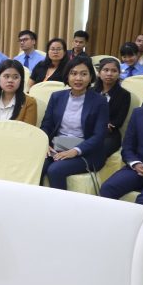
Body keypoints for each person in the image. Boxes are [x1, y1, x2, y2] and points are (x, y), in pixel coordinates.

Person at [40, 57, 109, 190]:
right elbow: (46, 125)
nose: (78, 78)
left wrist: (75, 151)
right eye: (73, 73)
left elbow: (99, 136)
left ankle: (60, 203)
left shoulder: (100, 101)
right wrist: (45, 143)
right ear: (67, 75)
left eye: (83, 74)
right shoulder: (56, 97)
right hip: (58, 145)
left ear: (91, 77)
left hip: (87, 151)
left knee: (55, 170)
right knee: (39, 165)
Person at [99, 70, 143, 207]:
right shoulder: (140, 114)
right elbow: (127, 147)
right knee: (107, 188)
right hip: (139, 167)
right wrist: (137, 164)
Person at [94, 58, 132, 157]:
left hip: (110, 135)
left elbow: (118, 121)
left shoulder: (124, 95)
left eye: (114, 71)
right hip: (88, 130)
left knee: (97, 152)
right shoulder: (90, 91)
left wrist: (103, 126)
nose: (109, 74)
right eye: (106, 70)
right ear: (99, 73)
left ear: (119, 74)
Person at [0, 59, 37, 126]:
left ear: (21, 80)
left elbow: (28, 130)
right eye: (6, 76)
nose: (10, 80)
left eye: (15, 77)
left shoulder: (29, 103)